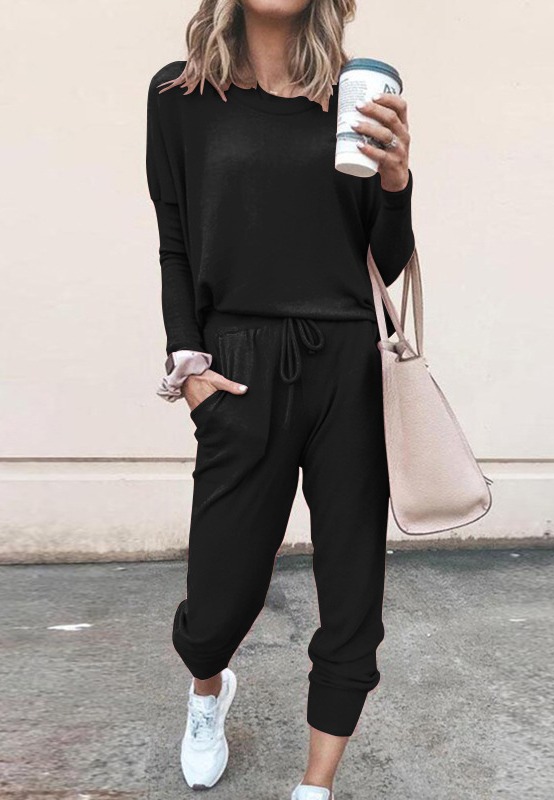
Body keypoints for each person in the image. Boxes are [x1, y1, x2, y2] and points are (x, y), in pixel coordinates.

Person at [145, 1, 415, 797]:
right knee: (217, 600)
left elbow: (387, 259)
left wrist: (397, 181)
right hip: (239, 367)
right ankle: (207, 688)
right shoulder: (179, 96)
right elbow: (174, 240)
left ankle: (316, 786)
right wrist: (191, 367)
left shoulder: (361, 90)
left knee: (353, 595)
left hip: (348, 365)